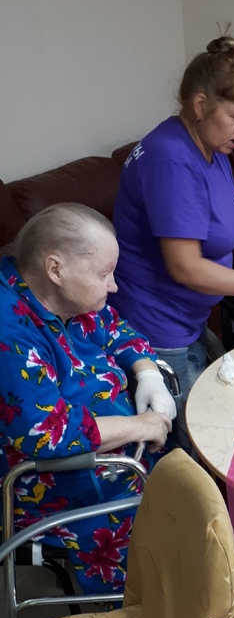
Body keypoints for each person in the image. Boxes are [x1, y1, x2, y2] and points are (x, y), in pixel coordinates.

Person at [112, 34, 234, 408]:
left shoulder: (211, 150)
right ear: (200, 104)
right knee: (188, 434)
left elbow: (207, 227)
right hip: (158, 328)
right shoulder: (171, 161)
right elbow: (185, 266)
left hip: (190, 320)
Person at [0, 204, 173, 595]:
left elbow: (116, 328)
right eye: (103, 274)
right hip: (55, 484)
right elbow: (48, 434)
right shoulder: (10, 331)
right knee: (165, 536)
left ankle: (194, 580)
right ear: (56, 269)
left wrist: (147, 372)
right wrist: (140, 425)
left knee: (189, 489)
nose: (113, 286)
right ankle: (145, 608)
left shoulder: (62, 297)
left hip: (121, 455)